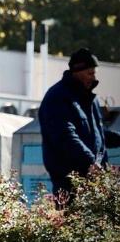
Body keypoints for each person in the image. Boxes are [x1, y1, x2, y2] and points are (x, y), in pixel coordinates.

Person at [38, 48, 108, 201]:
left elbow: (98, 134)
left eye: (94, 73)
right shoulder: (57, 97)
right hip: (69, 182)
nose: (93, 77)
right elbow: (65, 136)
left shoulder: (91, 99)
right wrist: (91, 162)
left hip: (95, 179)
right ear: (77, 71)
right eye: (90, 73)